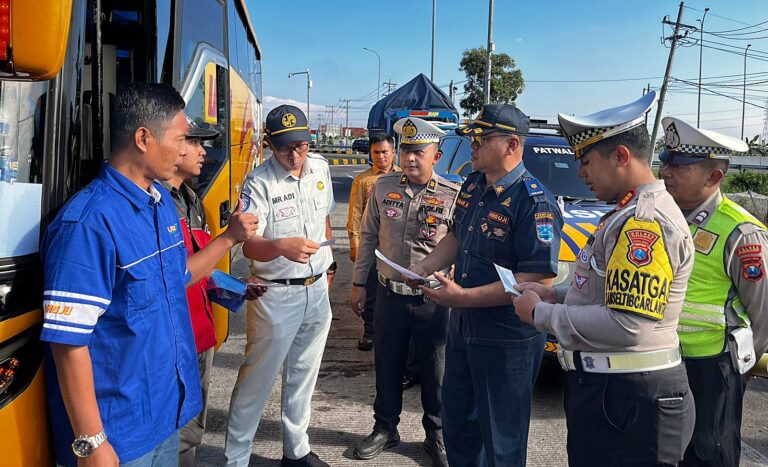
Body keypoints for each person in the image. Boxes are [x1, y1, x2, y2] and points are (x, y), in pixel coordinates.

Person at [513, 91, 697, 466]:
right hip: (616, 394)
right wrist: (555, 294)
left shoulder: (644, 223)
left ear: (621, 157)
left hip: (631, 401)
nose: (581, 173)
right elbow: (605, 291)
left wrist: (539, 315)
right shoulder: (625, 213)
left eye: (586, 161)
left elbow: (628, 325)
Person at [40, 83, 217, 466]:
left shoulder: (161, 205)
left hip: (165, 415)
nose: (185, 150)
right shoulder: (88, 223)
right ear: (143, 138)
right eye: (180, 139)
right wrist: (91, 441)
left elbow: (176, 277)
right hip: (119, 434)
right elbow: (68, 343)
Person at [407, 104, 563, 467]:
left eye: (482, 138)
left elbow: (537, 280)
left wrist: (462, 297)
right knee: (459, 426)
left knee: (502, 440)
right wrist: (424, 266)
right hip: (464, 328)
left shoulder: (535, 202)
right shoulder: (474, 184)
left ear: (511, 145)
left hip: (506, 338)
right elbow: (457, 236)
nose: (473, 145)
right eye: (472, 138)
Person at [225, 105, 335, 467]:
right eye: (285, 147)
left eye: (301, 145)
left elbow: (324, 221)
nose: (294, 155)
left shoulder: (320, 167)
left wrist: (329, 267)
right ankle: (236, 459)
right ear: (269, 143)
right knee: (257, 380)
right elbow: (248, 244)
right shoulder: (259, 182)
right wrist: (280, 247)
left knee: (304, 374)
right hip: (276, 295)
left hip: (316, 291)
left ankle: (296, 449)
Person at [658, 117, 768, 466]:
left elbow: (764, 313)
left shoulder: (741, 232)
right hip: (661, 362)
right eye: (665, 162)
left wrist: (741, 364)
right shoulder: (660, 216)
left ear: (713, 177)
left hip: (712, 369)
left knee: (709, 453)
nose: (665, 172)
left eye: (679, 166)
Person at [350, 117, 459, 466]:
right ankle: (385, 428)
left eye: (419, 152)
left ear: (436, 156)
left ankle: (437, 434)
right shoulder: (383, 187)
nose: (410, 158)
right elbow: (368, 236)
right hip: (389, 295)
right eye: (406, 150)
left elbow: (460, 247)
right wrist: (358, 284)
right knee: (387, 363)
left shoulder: (452, 195)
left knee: (436, 370)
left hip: (433, 300)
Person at [163, 118, 261, 466]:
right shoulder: (157, 205)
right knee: (175, 434)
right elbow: (174, 277)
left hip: (201, 335)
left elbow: (200, 268)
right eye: (194, 142)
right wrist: (230, 237)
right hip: (175, 340)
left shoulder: (191, 200)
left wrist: (236, 288)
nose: (204, 151)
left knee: (193, 428)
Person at [346, 133, 400, 351]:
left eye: (385, 152)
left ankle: (393, 332)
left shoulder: (403, 177)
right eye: (376, 152)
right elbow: (355, 214)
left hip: (394, 246)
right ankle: (369, 331)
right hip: (371, 246)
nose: (381, 156)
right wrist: (354, 243)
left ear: (393, 153)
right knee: (370, 290)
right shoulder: (363, 181)